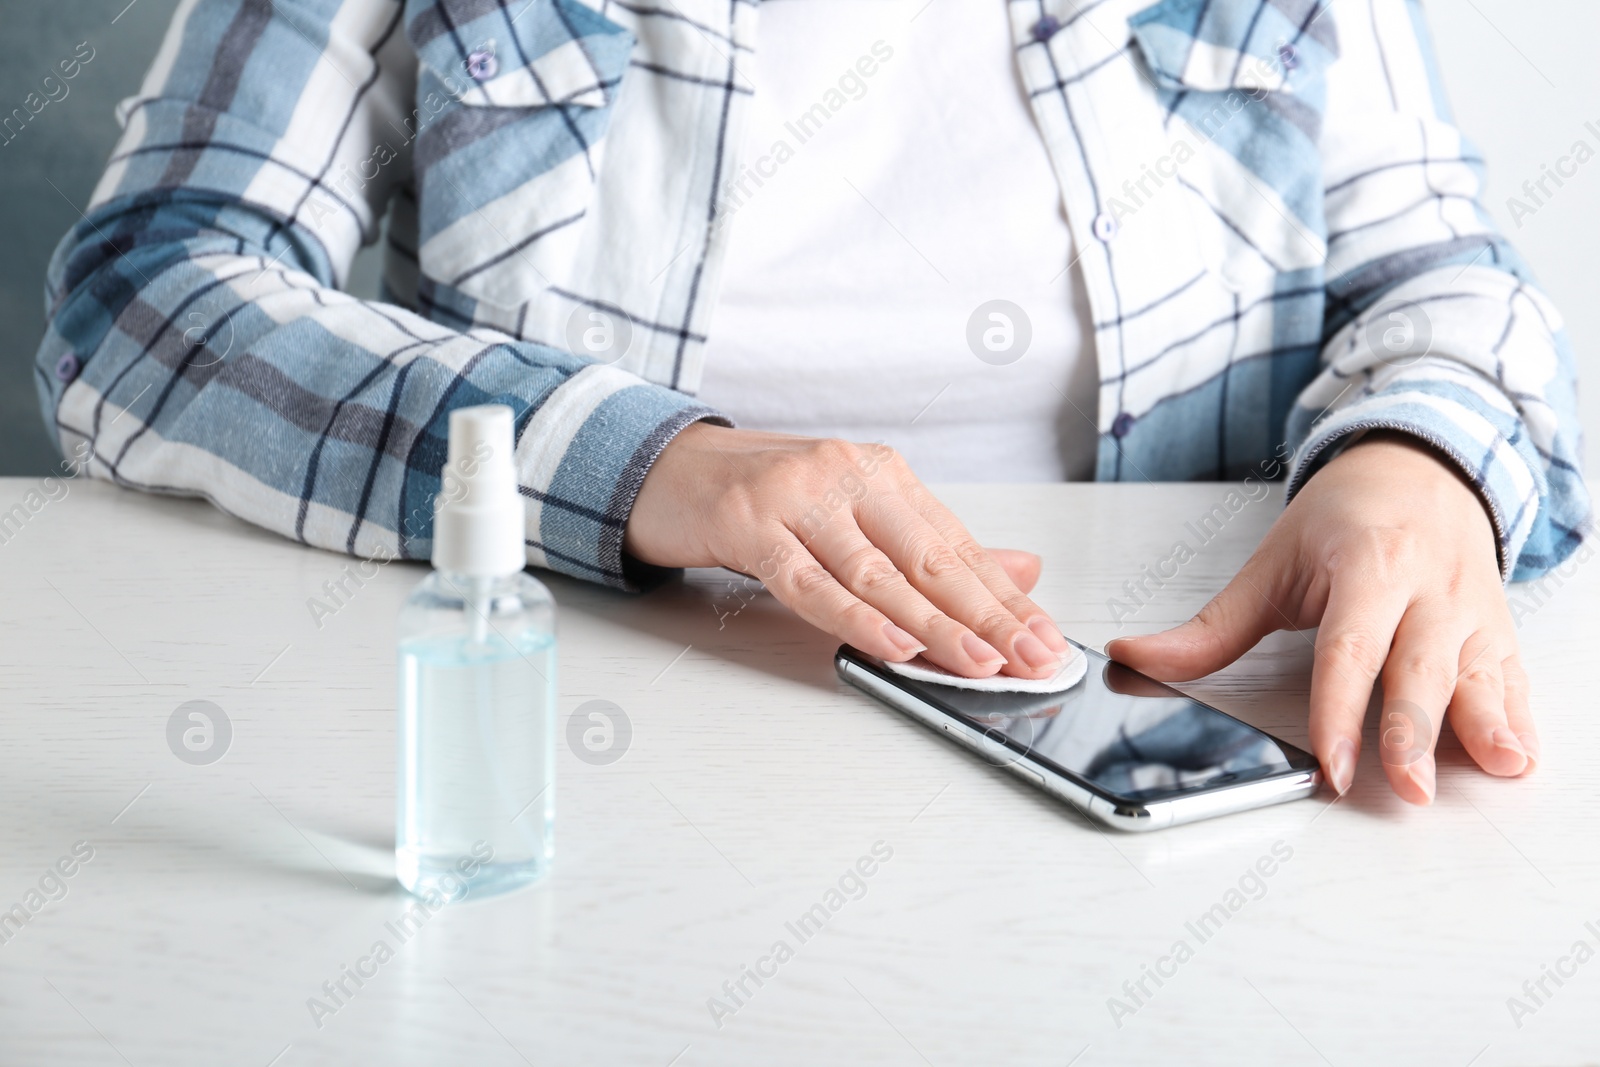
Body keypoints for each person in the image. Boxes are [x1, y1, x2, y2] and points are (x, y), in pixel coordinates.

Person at [36, 0, 1589, 807]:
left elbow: (1447, 289)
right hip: (572, 741)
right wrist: (644, 465)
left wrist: (1409, 464)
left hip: (1162, 752)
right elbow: (143, 300)